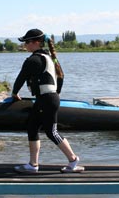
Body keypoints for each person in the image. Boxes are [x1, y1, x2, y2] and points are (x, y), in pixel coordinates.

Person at [11, 28, 83, 174]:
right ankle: (33, 164)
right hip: (48, 98)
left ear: (36, 42)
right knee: (32, 127)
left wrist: (14, 93)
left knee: (51, 132)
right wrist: (56, 94)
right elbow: (61, 77)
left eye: (27, 42)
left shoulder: (34, 60)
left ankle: (73, 159)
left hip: (47, 99)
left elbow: (21, 77)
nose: (25, 45)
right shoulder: (48, 57)